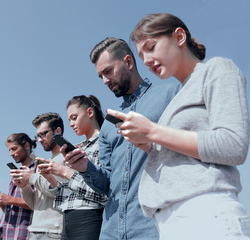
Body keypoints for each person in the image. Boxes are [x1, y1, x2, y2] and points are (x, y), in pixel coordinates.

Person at [106, 13, 250, 239]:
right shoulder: (177, 98)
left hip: (207, 215)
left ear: (179, 37)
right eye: (141, 55)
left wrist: (153, 131)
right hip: (169, 223)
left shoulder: (217, 69)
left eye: (151, 47)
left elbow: (233, 145)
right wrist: (148, 145)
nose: (146, 60)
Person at [62, 38, 181, 239]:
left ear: (128, 62)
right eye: (100, 76)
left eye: (108, 72)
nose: (105, 81)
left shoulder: (171, 95)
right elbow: (106, 183)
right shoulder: (109, 124)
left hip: (155, 228)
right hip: (110, 230)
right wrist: (85, 168)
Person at [38, 95, 107, 240]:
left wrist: (64, 171)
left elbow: (102, 195)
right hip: (68, 217)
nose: (70, 124)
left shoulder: (104, 143)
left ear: (90, 113)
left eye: (74, 117)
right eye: (69, 120)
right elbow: (69, 191)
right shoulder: (78, 148)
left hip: (89, 218)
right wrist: (50, 177)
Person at [10, 113, 64, 240]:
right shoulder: (46, 160)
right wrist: (24, 187)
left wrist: (32, 177)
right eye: (38, 135)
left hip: (53, 231)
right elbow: (34, 204)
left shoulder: (66, 158)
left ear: (58, 131)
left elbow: (60, 193)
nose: (39, 140)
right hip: (35, 229)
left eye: (43, 134)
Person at [0, 133, 36, 240]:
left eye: (14, 149)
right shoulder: (16, 172)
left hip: (24, 233)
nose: (11, 154)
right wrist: (2, 203)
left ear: (27, 146)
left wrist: (8, 199)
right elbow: (14, 208)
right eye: (10, 150)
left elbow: (37, 203)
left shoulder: (37, 170)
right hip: (7, 232)